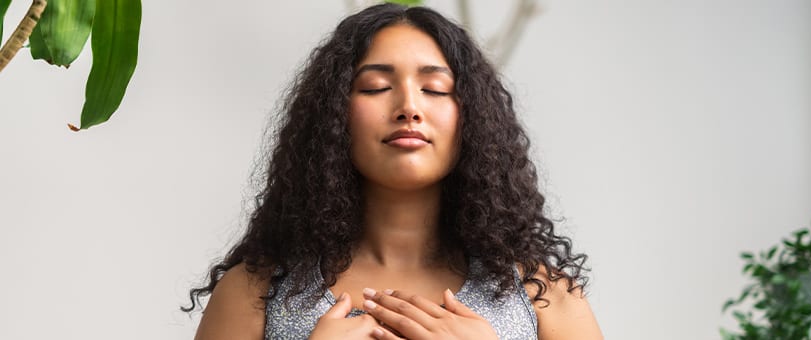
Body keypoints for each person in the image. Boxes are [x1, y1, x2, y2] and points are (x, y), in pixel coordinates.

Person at [184, 3, 604, 340]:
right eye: (375, 88)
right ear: (333, 115)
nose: (408, 107)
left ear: (474, 117)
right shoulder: (253, 293)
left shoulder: (544, 296)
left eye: (435, 89)